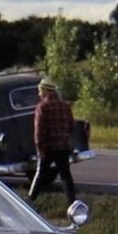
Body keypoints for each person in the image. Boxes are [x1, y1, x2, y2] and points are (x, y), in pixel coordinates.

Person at [28, 77, 77, 205]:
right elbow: (72, 125)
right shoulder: (65, 105)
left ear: (45, 90)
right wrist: (65, 137)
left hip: (48, 147)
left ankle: (30, 200)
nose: (39, 94)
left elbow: (39, 130)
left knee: (40, 174)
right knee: (66, 176)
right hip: (63, 146)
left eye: (40, 91)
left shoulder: (42, 107)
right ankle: (72, 202)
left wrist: (40, 148)